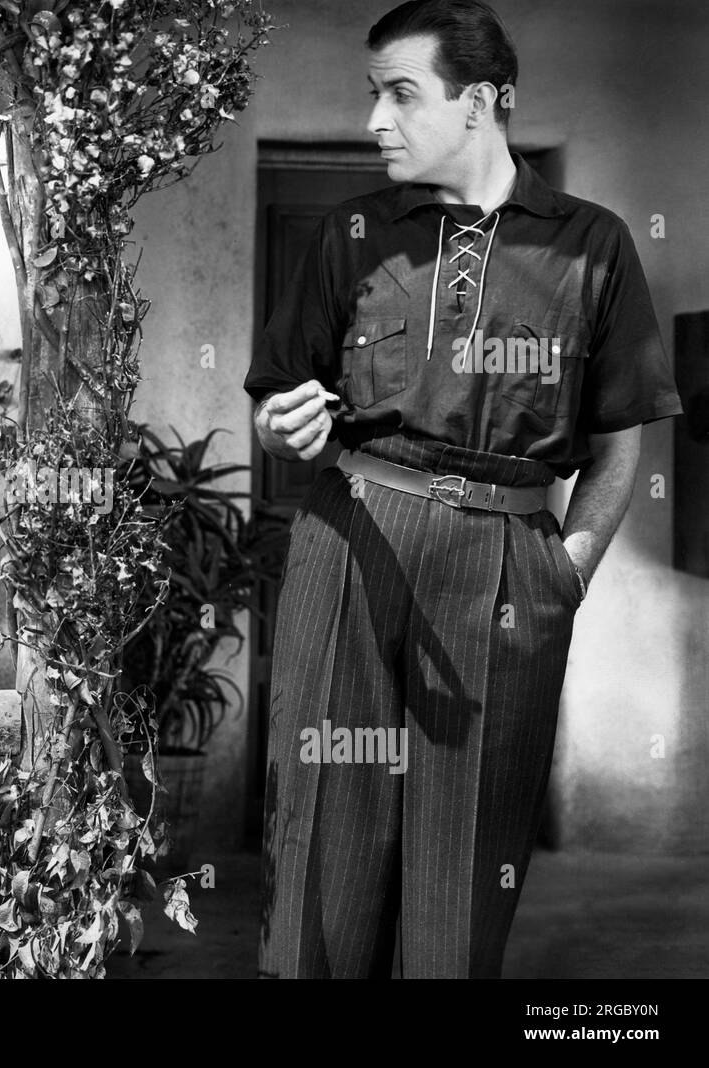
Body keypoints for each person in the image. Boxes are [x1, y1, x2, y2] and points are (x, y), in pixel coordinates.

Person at [245, 0, 683, 978]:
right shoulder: (350, 232)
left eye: (402, 94)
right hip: (350, 541)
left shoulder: (591, 245)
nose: (375, 120)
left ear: (481, 100)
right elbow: (276, 399)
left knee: (465, 868)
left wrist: (563, 572)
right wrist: (284, 423)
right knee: (323, 838)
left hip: (505, 566)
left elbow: (619, 444)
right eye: (372, 95)